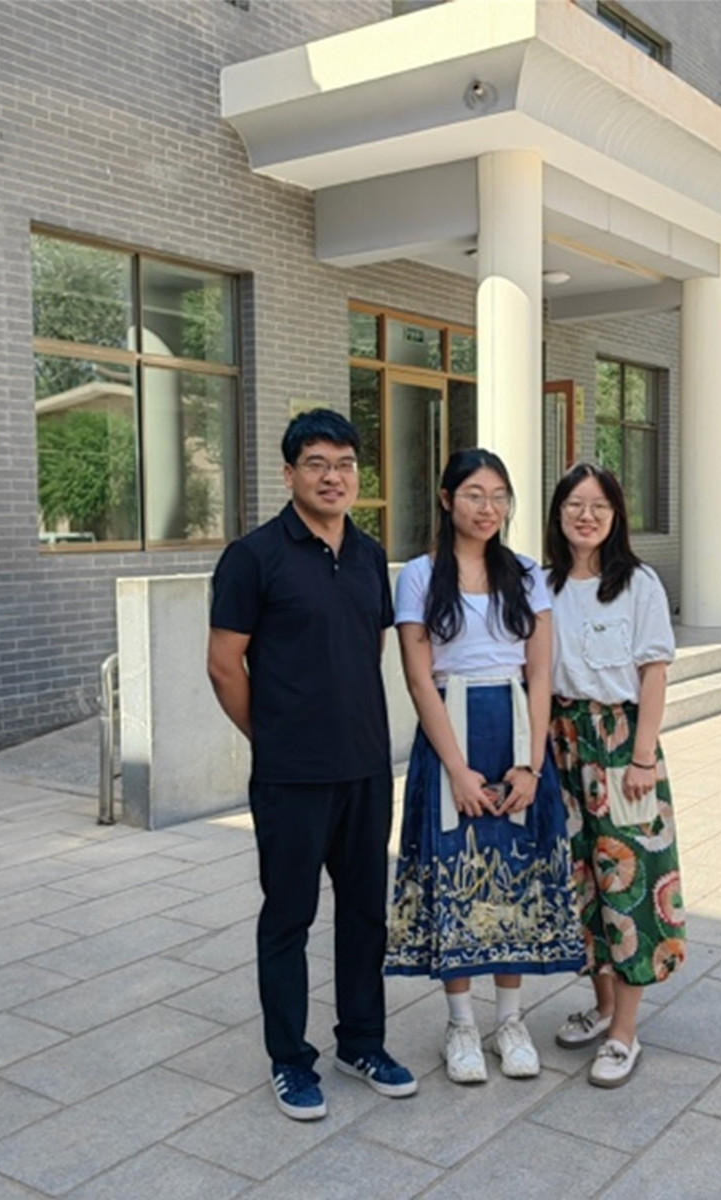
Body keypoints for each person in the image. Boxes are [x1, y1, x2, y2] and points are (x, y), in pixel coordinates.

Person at [207, 408, 417, 1121]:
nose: (334, 476)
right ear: (290, 472)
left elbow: (370, 649)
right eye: (318, 463)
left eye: (346, 464)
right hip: (291, 775)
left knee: (365, 914)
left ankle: (362, 1041)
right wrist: (273, 733)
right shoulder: (254, 556)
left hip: (364, 768)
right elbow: (224, 664)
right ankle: (289, 1060)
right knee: (289, 917)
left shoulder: (366, 554)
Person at [385, 447, 583, 1084]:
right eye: (474, 493)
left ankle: (511, 1020)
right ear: (447, 500)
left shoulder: (528, 574)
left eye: (499, 495)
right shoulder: (418, 575)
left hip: (517, 729)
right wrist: (457, 770)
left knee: (515, 877)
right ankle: (461, 1025)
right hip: (451, 732)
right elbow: (419, 680)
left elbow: (540, 672)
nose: (488, 507)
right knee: (455, 874)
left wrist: (531, 766)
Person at [543, 462, 686, 1088]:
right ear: (558, 513)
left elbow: (654, 671)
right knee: (581, 885)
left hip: (622, 745)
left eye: (599, 506)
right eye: (575, 504)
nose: (586, 516)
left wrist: (643, 757)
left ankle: (626, 1032)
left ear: (615, 514)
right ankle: (603, 1010)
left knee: (629, 885)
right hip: (562, 745)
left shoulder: (638, 583)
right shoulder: (540, 585)